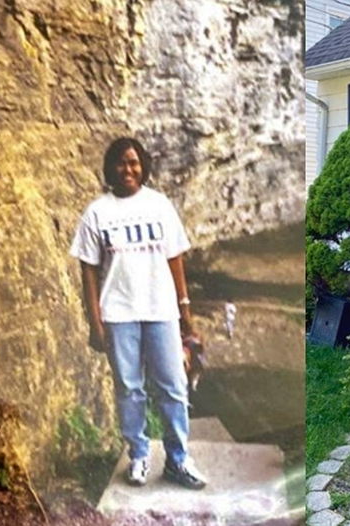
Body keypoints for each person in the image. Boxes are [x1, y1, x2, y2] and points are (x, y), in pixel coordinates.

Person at [70, 137, 207, 489]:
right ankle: (139, 455)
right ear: (109, 169)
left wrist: (185, 309)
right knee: (129, 389)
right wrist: (94, 320)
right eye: (120, 163)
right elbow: (88, 270)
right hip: (118, 314)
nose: (127, 169)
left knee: (173, 386)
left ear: (143, 166)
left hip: (161, 311)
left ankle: (178, 460)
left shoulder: (159, 205)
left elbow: (175, 258)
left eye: (133, 163)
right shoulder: (96, 212)